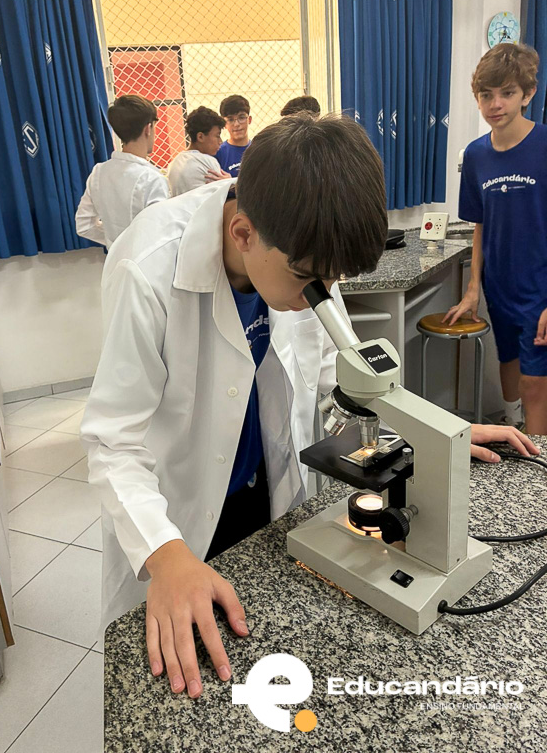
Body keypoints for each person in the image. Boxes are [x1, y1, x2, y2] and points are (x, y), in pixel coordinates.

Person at [81, 114, 538, 702]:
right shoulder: (146, 266)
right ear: (243, 233)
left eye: (333, 278)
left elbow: (339, 384)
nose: (321, 293)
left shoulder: (304, 250)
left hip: (272, 499)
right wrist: (166, 557)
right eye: (310, 278)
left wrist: (432, 433)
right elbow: (112, 441)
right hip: (176, 519)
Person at [443, 43, 547, 434]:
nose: (495, 104)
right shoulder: (475, 156)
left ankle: (535, 466)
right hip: (499, 286)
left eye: (507, 93)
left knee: (535, 383)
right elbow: (480, 225)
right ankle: (512, 426)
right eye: (486, 95)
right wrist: (473, 289)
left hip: (540, 288)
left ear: (528, 94)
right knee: (509, 363)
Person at [75, 95, 169, 248]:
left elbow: (84, 225)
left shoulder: (99, 172)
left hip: (115, 258)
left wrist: (116, 240)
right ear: (148, 128)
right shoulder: (152, 179)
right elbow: (161, 235)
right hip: (147, 260)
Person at [167, 107, 225, 197]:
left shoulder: (173, 164)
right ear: (200, 137)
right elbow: (222, 198)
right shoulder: (208, 162)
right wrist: (229, 183)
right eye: (217, 136)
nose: (220, 141)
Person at [212, 94, 252, 178]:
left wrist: (230, 182)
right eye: (230, 119)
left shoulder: (257, 149)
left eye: (241, 118)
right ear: (224, 124)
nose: (236, 124)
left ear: (249, 120)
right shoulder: (218, 152)